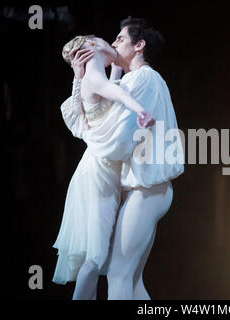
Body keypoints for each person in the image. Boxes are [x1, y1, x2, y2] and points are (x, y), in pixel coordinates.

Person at [60, 17, 184, 300]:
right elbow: (95, 120)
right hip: (147, 190)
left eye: (120, 39)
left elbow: (112, 139)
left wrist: (93, 141)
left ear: (139, 46)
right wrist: (81, 79)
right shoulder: (135, 79)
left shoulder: (143, 78)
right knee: (131, 279)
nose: (114, 43)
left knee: (118, 274)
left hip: (147, 190)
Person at [52, 35, 155, 300]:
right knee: (96, 257)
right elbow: (117, 92)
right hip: (98, 171)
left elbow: (112, 85)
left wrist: (114, 67)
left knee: (98, 257)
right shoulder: (93, 79)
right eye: (102, 39)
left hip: (100, 166)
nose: (111, 41)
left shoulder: (94, 78)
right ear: (92, 47)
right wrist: (141, 110)